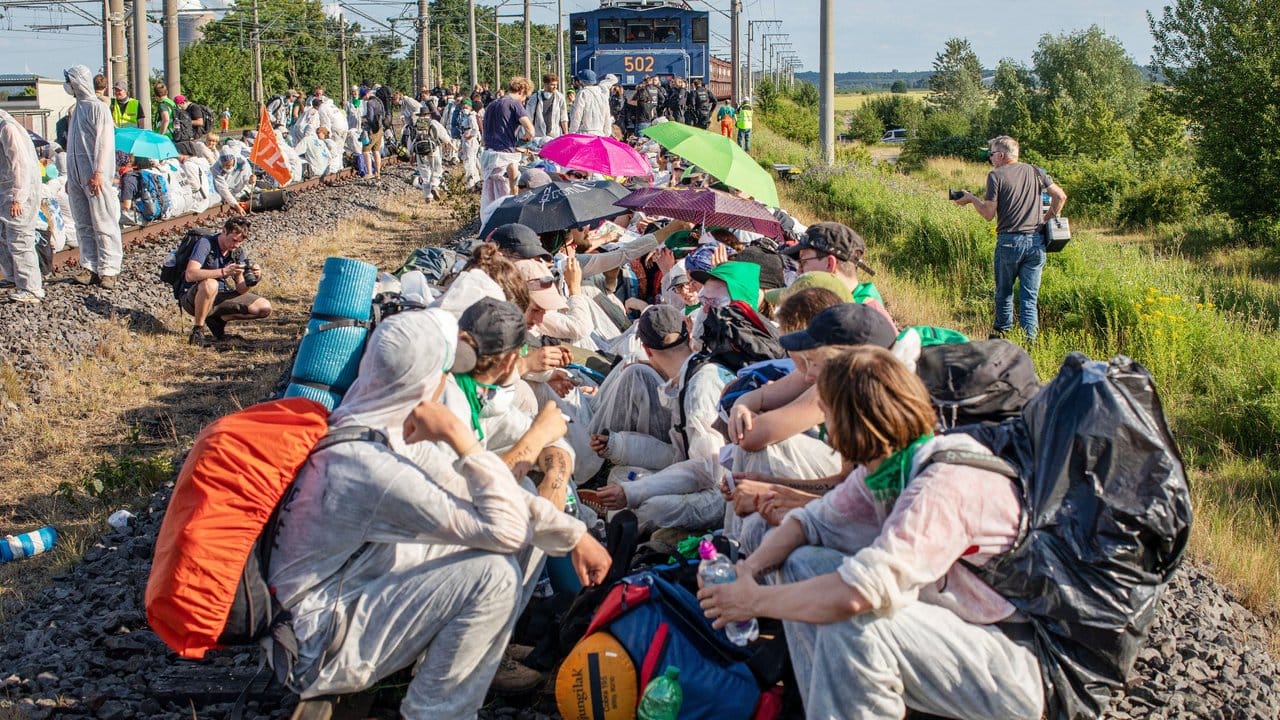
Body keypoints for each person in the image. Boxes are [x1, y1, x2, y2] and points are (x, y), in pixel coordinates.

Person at [699, 345, 1044, 720]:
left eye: (827, 413)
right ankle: (814, 704)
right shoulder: (889, 467)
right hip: (950, 630)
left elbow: (860, 592)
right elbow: (808, 522)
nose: (825, 428)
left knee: (850, 625)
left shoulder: (944, 485)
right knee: (801, 561)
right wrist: (750, 571)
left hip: (1011, 665)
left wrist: (753, 602)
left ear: (852, 421)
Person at [269, 310, 533, 719]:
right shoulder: (373, 465)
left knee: (471, 543)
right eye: (445, 372)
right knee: (495, 576)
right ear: (428, 380)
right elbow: (508, 531)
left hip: (317, 614)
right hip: (314, 648)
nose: (449, 382)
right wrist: (463, 440)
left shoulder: (369, 424)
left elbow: (482, 497)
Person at [953, 135, 1067, 341]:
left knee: (1004, 293)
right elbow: (1060, 196)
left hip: (1009, 241)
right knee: (1029, 298)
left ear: (1001, 155)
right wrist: (1046, 219)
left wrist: (971, 199)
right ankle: (1030, 343)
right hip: (1036, 241)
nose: (990, 158)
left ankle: (1002, 337)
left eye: (991, 154)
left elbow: (988, 214)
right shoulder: (1036, 171)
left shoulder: (996, 176)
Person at [63, 65, 123, 289]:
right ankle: (89, 265)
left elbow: (104, 143)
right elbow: (73, 145)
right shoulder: (76, 109)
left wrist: (99, 171)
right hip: (78, 176)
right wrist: (71, 176)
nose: (68, 85)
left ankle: (109, 269)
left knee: (103, 221)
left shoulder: (99, 109)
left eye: (70, 80)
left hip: (95, 176)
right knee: (83, 223)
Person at [178, 216, 271, 346]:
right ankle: (197, 331)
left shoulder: (236, 252)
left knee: (264, 308)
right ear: (224, 231)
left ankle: (217, 319)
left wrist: (254, 278)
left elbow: (240, 289)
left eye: (240, 242)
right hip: (193, 297)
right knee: (211, 284)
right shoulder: (205, 243)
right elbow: (190, 274)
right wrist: (223, 272)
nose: (236, 245)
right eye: (234, 240)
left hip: (220, 296)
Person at [781, 222, 894, 329]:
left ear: (830, 264)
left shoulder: (858, 320)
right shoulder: (846, 302)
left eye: (803, 262)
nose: (798, 271)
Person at [0, 108, 44, 303]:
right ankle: (14, 279)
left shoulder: (8, 128)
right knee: (5, 239)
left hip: (17, 194)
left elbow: (20, 164)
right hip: (7, 192)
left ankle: (32, 288)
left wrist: (19, 196)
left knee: (20, 240)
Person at [480, 77, 536, 222]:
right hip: (505, 156)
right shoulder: (514, 104)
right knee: (508, 197)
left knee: (490, 198)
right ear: (523, 91)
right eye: (526, 97)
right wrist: (526, 139)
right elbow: (530, 129)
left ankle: (488, 226)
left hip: (488, 155)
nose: (524, 101)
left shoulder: (492, 105)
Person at [568, 70, 618, 137]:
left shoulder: (583, 93)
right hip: (600, 134)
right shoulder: (602, 94)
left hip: (585, 134)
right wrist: (607, 134)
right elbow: (607, 115)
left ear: (581, 81)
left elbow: (577, 115)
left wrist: (572, 133)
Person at [525, 73, 569, 138]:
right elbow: (529, 117)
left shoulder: (560, 98)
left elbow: (564, 118)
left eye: (556, 85)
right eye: (552, 85)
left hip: (555, 135)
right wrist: (529, 133)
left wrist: (566, 134)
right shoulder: (535, 98)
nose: (555, 87)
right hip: (538, 135)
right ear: (545, 84)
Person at [212, 148, 253, 215]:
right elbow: (222, 189)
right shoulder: (216, 168)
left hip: (239, 189)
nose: (228, 167)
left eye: (230, 165)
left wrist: (250, 181)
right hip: (224, 191)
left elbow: (246, 179)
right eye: (226, 165)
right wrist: (236, 205)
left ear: (234, 160)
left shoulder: (242, 162)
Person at [361, 88, 387, 178]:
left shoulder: (370, 103)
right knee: (376, 150)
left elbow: (370, 118)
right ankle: (378, 172)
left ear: (366, 94)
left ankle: (369, 172)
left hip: (373, 129)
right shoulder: (379, 100)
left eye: (363, 97)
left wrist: (365, 121)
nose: (363, 99)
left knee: (365, 150)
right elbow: (383, 114)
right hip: (380, 128)